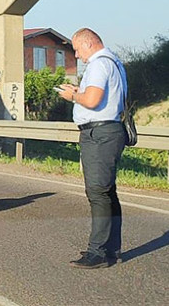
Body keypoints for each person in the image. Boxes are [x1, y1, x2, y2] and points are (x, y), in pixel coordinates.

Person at [57, 28, 128, 269]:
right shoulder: (114, 61)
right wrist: (81, 93)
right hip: (110, 131)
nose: (76, 55)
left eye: (76, 49)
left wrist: (72, 96)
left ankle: (97, 252)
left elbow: (93, 100)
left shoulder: (98, 64)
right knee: (108, 192)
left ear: (88, 44)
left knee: (97, 192)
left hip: (99, 134)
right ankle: (111, 248)